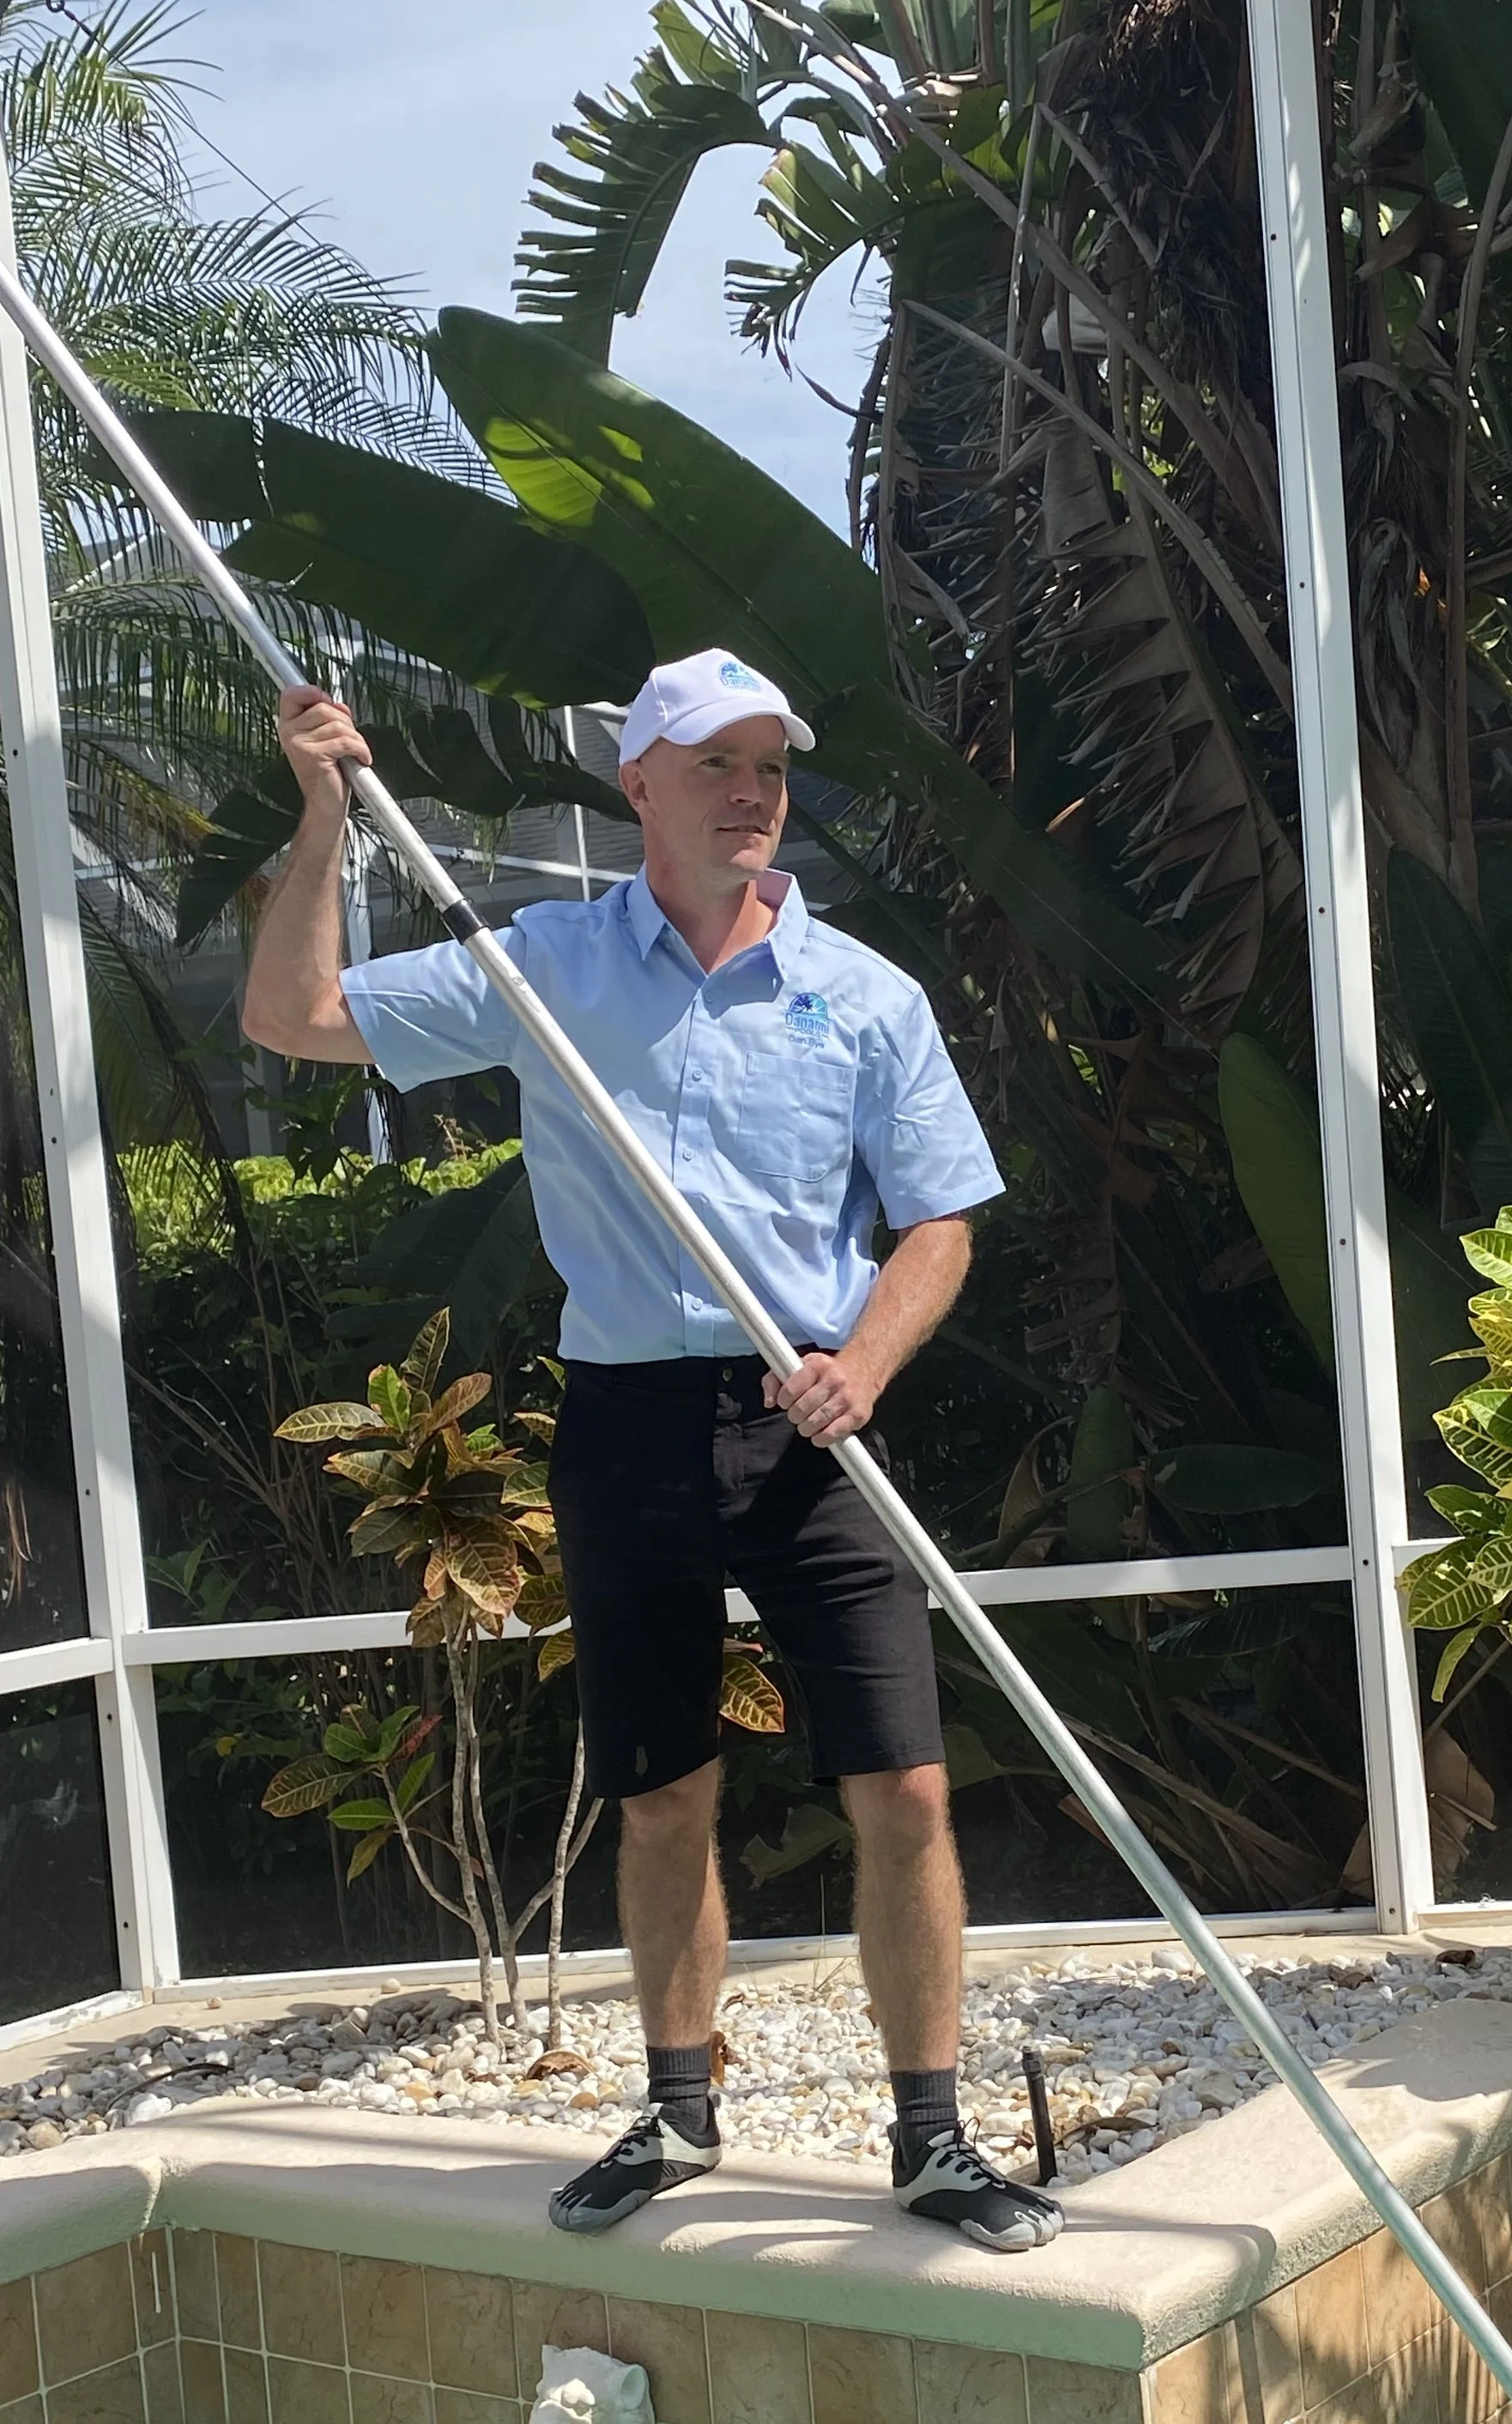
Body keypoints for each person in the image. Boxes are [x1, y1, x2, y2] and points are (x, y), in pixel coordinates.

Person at [241, 645, 1063, 2256]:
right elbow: (295, 1016)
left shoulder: (863, 996)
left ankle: (933, 2135)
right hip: (626, 1431)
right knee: (661, 1791)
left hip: (811, 1426)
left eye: (770, 766)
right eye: (718, 765)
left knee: (901, 1785)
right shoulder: (543, 959)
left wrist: (867, 1360)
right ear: (643, 787)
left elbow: (943, 1223)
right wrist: (327, 813)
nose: (755, 795)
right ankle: (678, 2113)